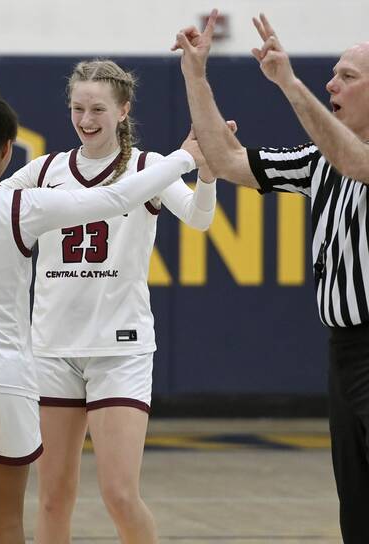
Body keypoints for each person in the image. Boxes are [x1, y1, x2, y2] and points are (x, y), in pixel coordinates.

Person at [0, 59, 225, 543]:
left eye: (97, 109)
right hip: (51, 348)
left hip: (120, 348)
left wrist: (208, 176)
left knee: (119, 494)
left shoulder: (147, 167)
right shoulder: (45, 170)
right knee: (52, 496)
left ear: (122, 110)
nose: (86, 118)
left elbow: (198, 220)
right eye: (77, 108)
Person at [173, 10, 369, 544]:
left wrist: (289, 84)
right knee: (356, 507)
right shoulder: (319, 163)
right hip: (344, 351)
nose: (333, 84)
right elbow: (227, 157)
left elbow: (357, 162)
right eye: (331, 75)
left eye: (347, 77)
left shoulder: (350, 159)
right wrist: (196, 76)